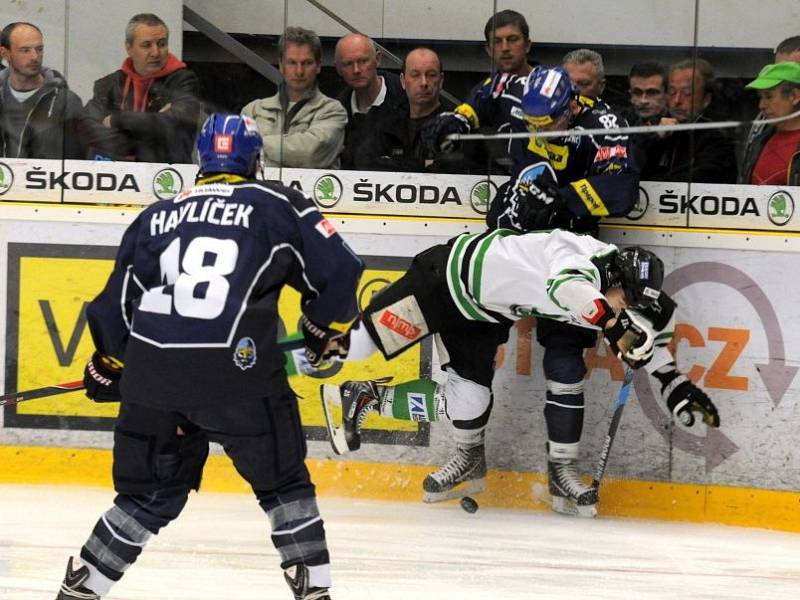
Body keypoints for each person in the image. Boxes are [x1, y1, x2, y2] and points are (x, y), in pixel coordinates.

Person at [54, 113, 364, 600]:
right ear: (256, 161)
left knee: (145, 497)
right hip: (238, 379)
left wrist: (109, 364)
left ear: (201, 161)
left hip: (154, 380)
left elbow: (116, 306)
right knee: (283, 486)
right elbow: (341, 269)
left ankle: (82, 589)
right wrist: (324, 327)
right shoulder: (279, 204)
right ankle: (314, 591)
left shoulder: (155, 215)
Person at [318, 228, 720, 517]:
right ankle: (304, 343)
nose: (624, 310)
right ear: (615, 279)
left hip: (483, 316)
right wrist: (615, 331)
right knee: (356, 347)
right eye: (625, 301)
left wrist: (674, 382)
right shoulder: (576, 258)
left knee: (471, 402)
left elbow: (650, 325)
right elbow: (569, 290)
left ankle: (367, 398)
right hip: (443, 282)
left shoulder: (613, 276)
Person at [422, 65, 639, 516]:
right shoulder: (521, 92)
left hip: (567, 252)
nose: (540, 130)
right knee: (473, 344)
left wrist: (564, 200)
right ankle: (467, 455)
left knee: (564, 356)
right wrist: (460, 116)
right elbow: (487, 90)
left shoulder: (604, 125)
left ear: (571, 106)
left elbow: (621, 189)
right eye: (532, 123)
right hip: (511, 245)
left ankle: (562, 471)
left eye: (549, 123)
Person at [82, 13, 202, 163]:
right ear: (129, 48)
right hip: (117, 179)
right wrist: (148, 132)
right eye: (146, 45)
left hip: (166, 177)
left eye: (162, 44)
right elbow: (86, 128)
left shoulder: (183, 81)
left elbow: (175, 123)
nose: (156, 52)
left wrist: (118, 119)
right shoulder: (109, 84)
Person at [241, 26, 346, 169]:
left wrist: (256, 143)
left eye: (307, 63)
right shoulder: (253, 110)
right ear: (281, 65)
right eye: (292, 62)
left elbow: (310, 155)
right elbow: (241, 157)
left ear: (318, 66)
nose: (299, 71)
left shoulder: (333, 111)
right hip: (261, 190)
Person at [346, 47, 446, 172]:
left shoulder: (455, 124)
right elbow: (363, 161)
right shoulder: (387, 122)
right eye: (415, 75)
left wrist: (392, 162)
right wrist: (421, 164)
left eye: (431, 75)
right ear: (403, 81)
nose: (424, 82)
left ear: (441, 81)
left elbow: (453, 167)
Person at [640, 58, 738, 183]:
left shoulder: (717, 139)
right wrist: (655, 138)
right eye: (672, 92)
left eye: (687, 93)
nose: (677, 101)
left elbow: (697, 180)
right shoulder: (658, 130)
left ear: (706, 99)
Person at [0, 21, 84, 159]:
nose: (35, 57)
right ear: (5, 53)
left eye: (39, 49)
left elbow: (75, 162)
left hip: (46, 178)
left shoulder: (66, 101)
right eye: (25, 50)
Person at [334, 32, 408, 169]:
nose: (356, 70)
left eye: (363, 61)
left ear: (378, 59)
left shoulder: (408, 99)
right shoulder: (335, 112)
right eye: (348, 64)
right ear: (338, 68)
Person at [739, 62, 800, 185]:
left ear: (794, 96)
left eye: (769, 96)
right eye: (760, 97)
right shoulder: (758, 142)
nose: (761, 105)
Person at [621, 61, 669, 169]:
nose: (643, 100)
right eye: (637, 92)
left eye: (652, 93)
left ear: (667, 94)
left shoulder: (679, 124)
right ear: (630, 94)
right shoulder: (619, 121)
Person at [483, 9, 534, 77]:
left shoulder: (550, 83)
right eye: (497, 41)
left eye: (513, 40)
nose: (505, 48)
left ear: (527, 45)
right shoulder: (485, 87)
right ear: (489, 50)